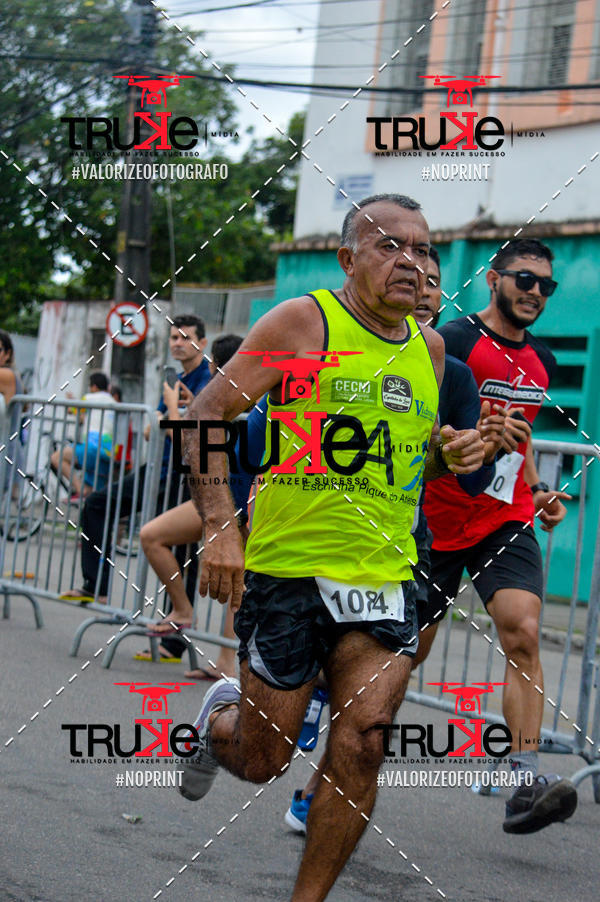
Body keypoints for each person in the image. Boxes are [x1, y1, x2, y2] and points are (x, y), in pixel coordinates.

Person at [177, 194, 485, 901]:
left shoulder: (430, 350)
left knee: (365, 742)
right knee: (263, 759)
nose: (412, 260)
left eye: (424, 249)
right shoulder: (304, 322)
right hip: (289, 573)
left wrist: (450, 456)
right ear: (348, 259)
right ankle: (215, 723)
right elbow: (204, 413)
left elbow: (406, 463)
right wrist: (222, 528)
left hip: (384, 576)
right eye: (389, 245)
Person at [284, 247, 505, 832]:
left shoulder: (447, 370)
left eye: (436, 282)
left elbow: (470, 473)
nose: (425, 288)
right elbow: (263, 429)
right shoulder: (327, 339)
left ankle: (316, 792)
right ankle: (293, 693)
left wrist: (476, 450)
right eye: (417, 278)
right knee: (274, 735)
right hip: (316, 539)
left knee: (377, 699)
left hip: (408, 548)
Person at [420, 237, 577, 833]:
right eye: (524, 279)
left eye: (546, 285)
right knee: (407, 655)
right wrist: (465, 441)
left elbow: (522, 432)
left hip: (501, 517)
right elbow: (419, 420)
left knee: (524, 631)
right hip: (434, 518)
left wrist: (536, 490)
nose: (535, 292)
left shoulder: (541, 361)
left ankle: (524, 780)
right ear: (493, 278)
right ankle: (334, 773)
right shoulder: (452, 341)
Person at [60, 314, 210, 608]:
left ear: (201, 343)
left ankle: (175, 632)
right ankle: (96, 586)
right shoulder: (174, 379)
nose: (177, 343)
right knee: (96, 505)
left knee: (180, 552)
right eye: (173, 337)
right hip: (156, 469)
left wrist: (167, 419)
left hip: (184, 476)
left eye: (185, 337)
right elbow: (148, 429)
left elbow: (185, 435)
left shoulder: (208, 380)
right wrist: (168, 417)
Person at [138, 334, 245, 675]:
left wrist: (172, 405)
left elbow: (184, 437)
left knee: (234, 578)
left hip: (234, 497)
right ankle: (194, 624)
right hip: (227, 495)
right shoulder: (240, 393)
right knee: (154, 536)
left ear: (214, 364)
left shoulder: (229, 396)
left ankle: (219, 652)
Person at [51, 371, 115, 498]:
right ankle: (84, 492)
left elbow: (73, 410)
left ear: (94, 387)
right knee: (94, 496)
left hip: (92, 449)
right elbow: (84, 418)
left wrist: (71, 401)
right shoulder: (112, 401)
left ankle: (80, 489)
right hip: (109, 452)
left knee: (56, 457)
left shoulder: (89, 398)